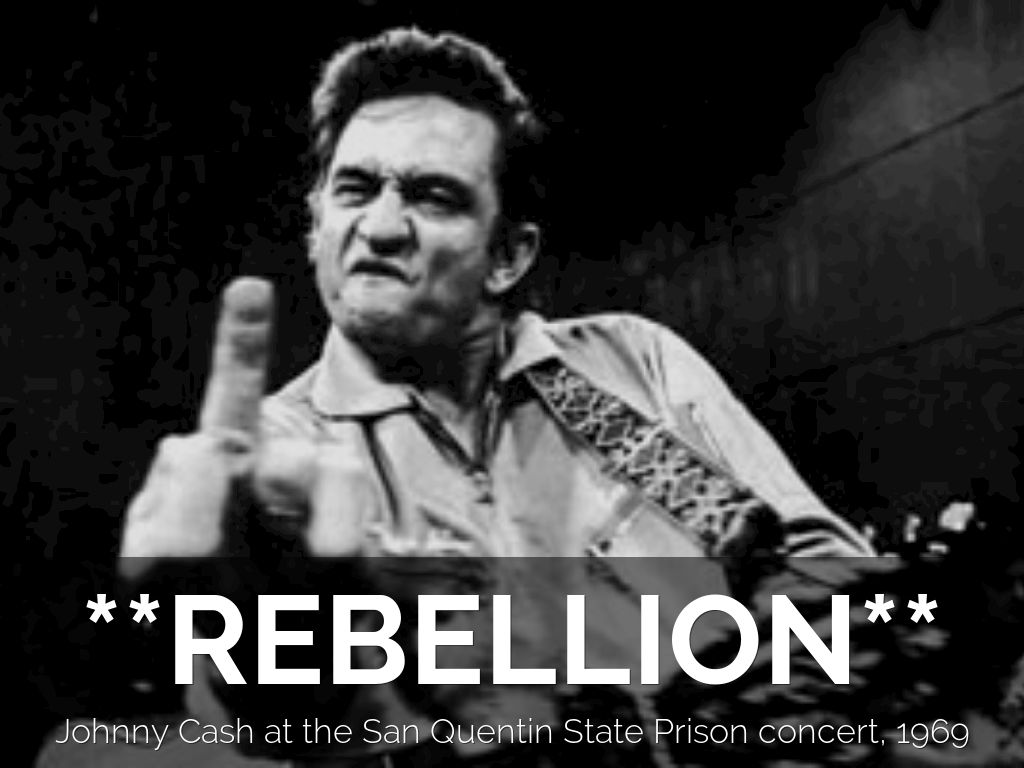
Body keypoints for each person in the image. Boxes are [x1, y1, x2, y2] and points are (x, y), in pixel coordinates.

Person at [114, 26, 874, 768]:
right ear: (316, 225)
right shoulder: (281, 457)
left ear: (508, 256)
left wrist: (727, 712)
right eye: (354, 189)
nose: (380, 227)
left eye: (433, 197)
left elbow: (823, 573)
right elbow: (257, 726)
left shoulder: (628, 366)